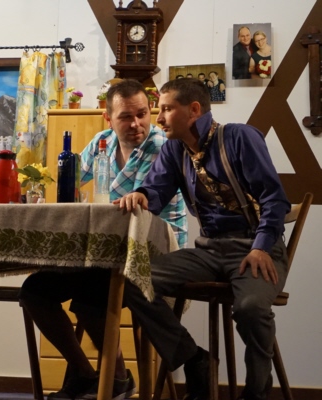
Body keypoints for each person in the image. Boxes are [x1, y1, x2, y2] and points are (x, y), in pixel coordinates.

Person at [116, 78, 290, 400]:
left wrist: (261, 247)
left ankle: (257, 393)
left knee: (250, 308)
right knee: (133, 280)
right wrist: (141, 195)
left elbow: (275, 200)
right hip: (209, 249)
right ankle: (194, 359)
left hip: (255, 247)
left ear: (194, 110)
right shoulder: (174, 149)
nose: (159, 118)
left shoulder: (239, 137)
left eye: (167, 109)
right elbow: (156, 191)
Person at [19, 79, 188, 400]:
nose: (136, 123)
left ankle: (117, 378)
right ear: (107, 117)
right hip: (105, 255)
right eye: (126, 117)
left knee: (91, 293)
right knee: (35, 290)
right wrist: (43, 187)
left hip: (155, 256)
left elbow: (148, 207)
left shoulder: (164, 148)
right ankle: (85, 373)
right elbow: (69, 182)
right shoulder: (101, 143)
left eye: (142, 114)